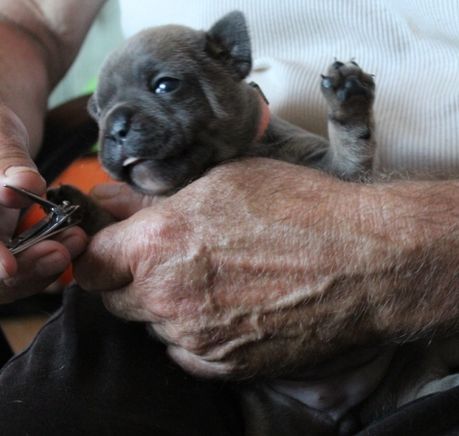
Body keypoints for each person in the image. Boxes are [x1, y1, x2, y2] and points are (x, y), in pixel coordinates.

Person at [0, 1, 459, 434]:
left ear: (231, 54)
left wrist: (352, 141)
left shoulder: (288, 147)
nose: (116, 127)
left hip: (423, 319)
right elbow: (32, 16)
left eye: (164, 86)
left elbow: (347, 175)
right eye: (103, 115)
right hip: (234, 377)